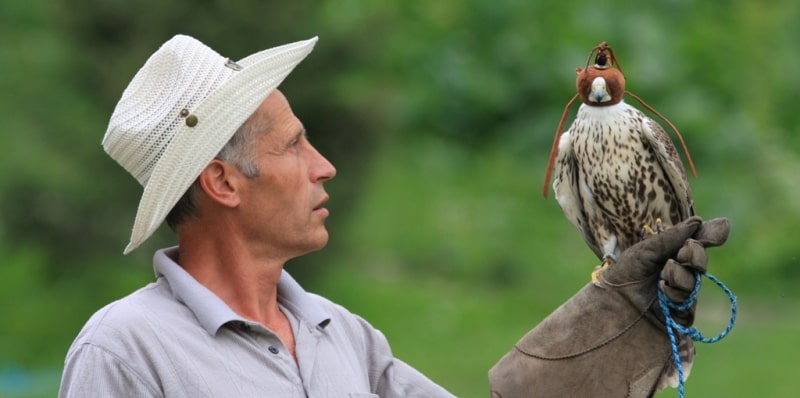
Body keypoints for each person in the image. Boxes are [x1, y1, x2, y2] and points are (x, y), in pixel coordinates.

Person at [58, 34, 730, 397]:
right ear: (223, 182)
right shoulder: (123, 353)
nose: (325, 166)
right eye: (294, 144)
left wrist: (613, 319)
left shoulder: (343, 338)